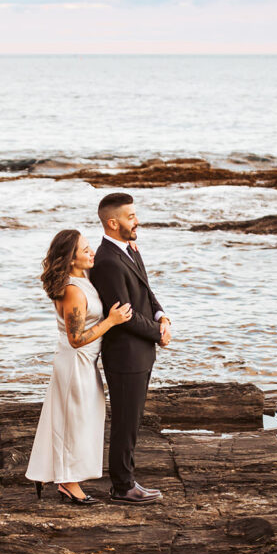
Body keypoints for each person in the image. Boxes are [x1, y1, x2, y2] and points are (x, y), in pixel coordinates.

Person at [25, 228, 132, 505]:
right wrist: (111, 321)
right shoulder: (73, 290)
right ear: (71, 259)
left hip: (84, 362)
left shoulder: (82, 279)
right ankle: (68, 483)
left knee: (79, 420)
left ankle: (62, 477)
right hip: (76, 362)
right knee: (73, 423)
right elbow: (75, 339)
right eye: (85, 250)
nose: (92, 252)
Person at [90, 192, 172, 505]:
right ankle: (122, 486)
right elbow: (122, 315)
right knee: (126, 421)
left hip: (140, 351)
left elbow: (146, 292)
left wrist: (161, 317)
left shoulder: (130, 250)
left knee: (133, 420)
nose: (137, 220)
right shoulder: (108, 262)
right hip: (124, 354)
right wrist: (158, 334)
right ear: (113, 222)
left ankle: (127, 481)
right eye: (131, 216)